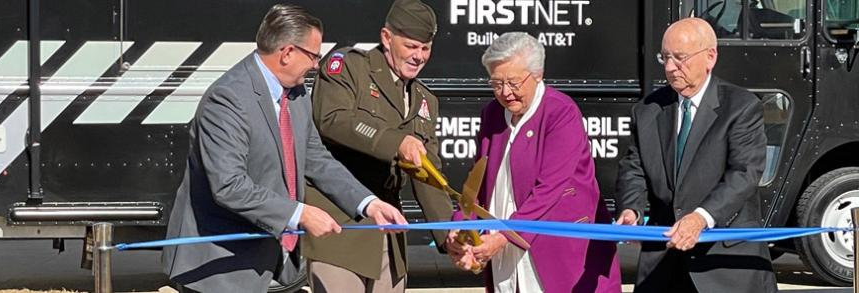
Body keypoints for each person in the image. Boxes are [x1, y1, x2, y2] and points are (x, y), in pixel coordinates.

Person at [162, 4, 407, 292]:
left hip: (271, 261)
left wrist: (368, 203)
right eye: (314, 56)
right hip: (219, 268)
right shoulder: (228, 99)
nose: (316, 65)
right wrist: (301, 214)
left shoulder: (297, 93)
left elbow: (317, 160)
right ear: (287, 53)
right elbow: (229, 186)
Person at [444, 32, 622, 293]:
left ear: (538, 74)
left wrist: (503, 237)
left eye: (513, 82)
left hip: (559, 257)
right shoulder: (491, 114)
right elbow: (479, 186)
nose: (505, 92)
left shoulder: (561, 112)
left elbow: (549, 190)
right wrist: (460, 226)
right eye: (496, 83)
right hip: (506, 259)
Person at [614, 18, 777, 292]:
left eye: (680, 58)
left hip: (725, 265)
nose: (669, 67)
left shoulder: (741, 107)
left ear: (710, 57)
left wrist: (701, 217)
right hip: (664, 263)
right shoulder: (648, 110)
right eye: (664, 57)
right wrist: (632, 210)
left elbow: (744, 173)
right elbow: (635, 168)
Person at [303, 0, 454, 292]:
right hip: (341, 228)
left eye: (425, 48)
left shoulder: (425, 100)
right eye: (411, 46)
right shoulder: (349, 67)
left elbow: (427, 174)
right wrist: (396, 141)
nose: (419, 56)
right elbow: (332, 119)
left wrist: (449, 233)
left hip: (389, 235)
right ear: (386, 37)